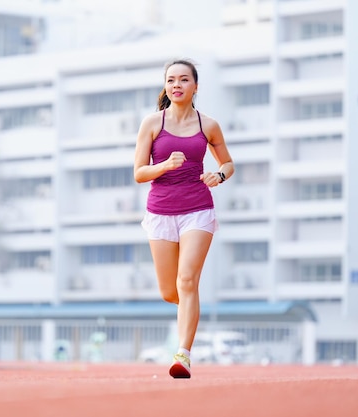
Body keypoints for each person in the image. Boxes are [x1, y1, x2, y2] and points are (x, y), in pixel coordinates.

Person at [134, 58, 234, 379]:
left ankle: (183, 355)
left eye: (183, 80)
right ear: (166, 86)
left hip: (198, 210)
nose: (176, 85)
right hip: (160, 211)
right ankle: (189, 311)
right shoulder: (152, 123)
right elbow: (139, 173)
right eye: (171, 80)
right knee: (171, 292)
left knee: (187, 281)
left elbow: (228, 163)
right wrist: (164, 166)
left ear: (195, 86)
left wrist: (219, 175)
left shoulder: (209, 125)